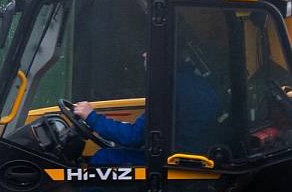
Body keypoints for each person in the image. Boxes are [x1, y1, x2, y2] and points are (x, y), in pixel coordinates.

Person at [73, 52, 221, 166]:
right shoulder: (194, 83)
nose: (144, 54)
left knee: (104, 159)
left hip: (176, 162)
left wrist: (91, 117)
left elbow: (133, 137)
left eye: (150, 50)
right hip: (186, 153)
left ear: (164, 55)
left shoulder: (170, 88)